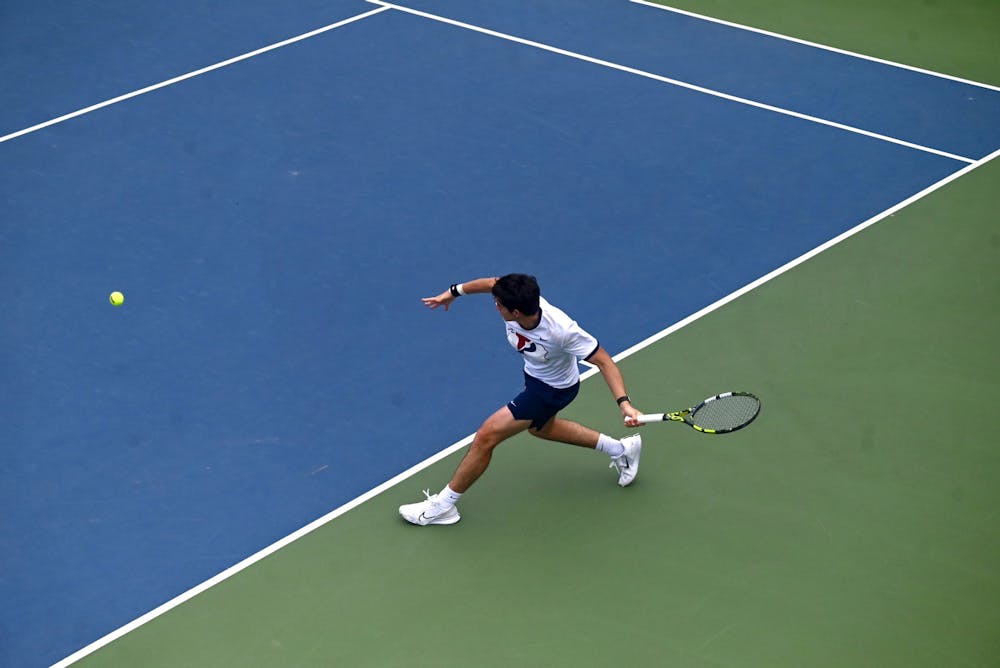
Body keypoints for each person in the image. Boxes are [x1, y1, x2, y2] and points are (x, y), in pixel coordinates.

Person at [399, 273, 644, 526]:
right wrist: (454, 291)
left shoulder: (562, 331)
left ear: (515, 312)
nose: (495, 306)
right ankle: (622, 450)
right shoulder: (517, 296)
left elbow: (604, 361)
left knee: (487, 436)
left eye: (499, 305)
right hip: (535, 378)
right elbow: (491, 283)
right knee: (542, 429)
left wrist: (624, 403)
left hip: (553, 390)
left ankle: (443, 506)